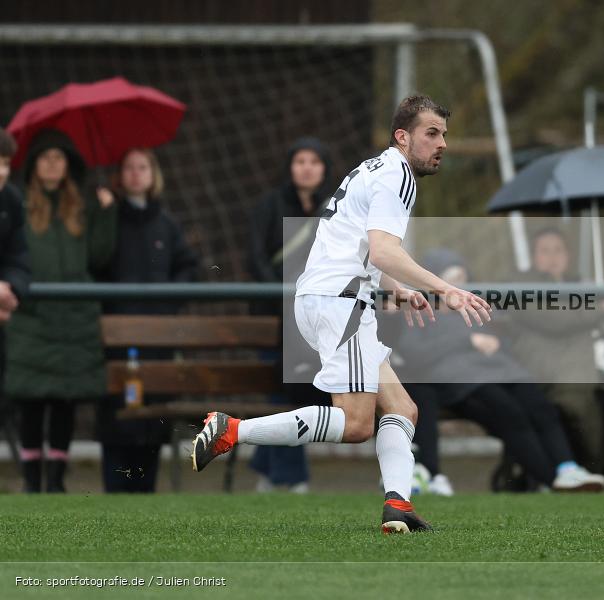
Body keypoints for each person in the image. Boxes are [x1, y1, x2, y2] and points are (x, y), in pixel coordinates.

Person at [192, 95, 492, 533]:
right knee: (355, 424)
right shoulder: (397, 176)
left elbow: (359, 246)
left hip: (331, 298)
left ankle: (398, 505)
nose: (441, 142)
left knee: (403, 410)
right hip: (340, 304)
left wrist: (399, 290)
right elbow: (384, 250)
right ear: (402, 136)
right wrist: (445, 287)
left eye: (444, 134)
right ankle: (232, 430)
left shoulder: (372, 168)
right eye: (432, 133)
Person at [397, 248, 604, 494]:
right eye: (451, 278)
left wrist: (498, 345)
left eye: (462, 278)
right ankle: (551, 481)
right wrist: (467, 342)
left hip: (504, 372)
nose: (458, 284)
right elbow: (414, 355)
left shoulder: (477, 308)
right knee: (512, 415)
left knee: (542, 408)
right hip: (464, 382)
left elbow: (504, 341)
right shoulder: (421, 314)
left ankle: (567, 468)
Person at [6, 129, 117, 493]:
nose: (53, 164)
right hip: (31, 317)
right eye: (45, 158)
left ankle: (56, 480)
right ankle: (31, 479)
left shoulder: (82, 209)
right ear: (35, 166)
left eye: (59, 158)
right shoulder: (18, 206)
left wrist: (106, 214)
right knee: (32, 400)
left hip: (75, 319)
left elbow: (99, 257)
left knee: (65, 400)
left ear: (68, 166)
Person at [510, 227, 604, 493]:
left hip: (595, 368)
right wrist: (600, 306)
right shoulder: (523, 286)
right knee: (579, 403)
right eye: (545, 250)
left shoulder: (583, 284)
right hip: (552, 374)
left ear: (568, 255)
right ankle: (592, 473)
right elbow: (556, 320)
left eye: (558, 250)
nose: (553, 257)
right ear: (533, 256)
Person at [96, 147, 198, 493]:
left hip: (157, 340)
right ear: (120, 175)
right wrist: (102, 213)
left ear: (153, 174)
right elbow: (95, 260)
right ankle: (114, 488)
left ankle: (146, 492)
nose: (136, 173)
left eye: (143, 167)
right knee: (117, 415)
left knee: (152, 418)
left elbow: (188, 265)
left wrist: (169, 299)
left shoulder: (166, 224)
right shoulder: (109, 220)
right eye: (129, 167)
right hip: (118, 340)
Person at [245, 137, 333, 493]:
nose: (307, 168)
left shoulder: (334, 208)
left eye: (314, 161)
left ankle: (265, 468)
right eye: (300, 161)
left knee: (293, 395)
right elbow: (256, 257)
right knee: (282, 396)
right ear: (290, 167)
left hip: (315, 320)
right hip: (276, 320)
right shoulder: (269, 205)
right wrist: (283, 295)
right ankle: (291, 478)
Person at [0, 129, 31, 463]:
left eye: (6, 162)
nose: (2, 171)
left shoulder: (9, 199)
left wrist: (11, 289)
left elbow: (20, 258)